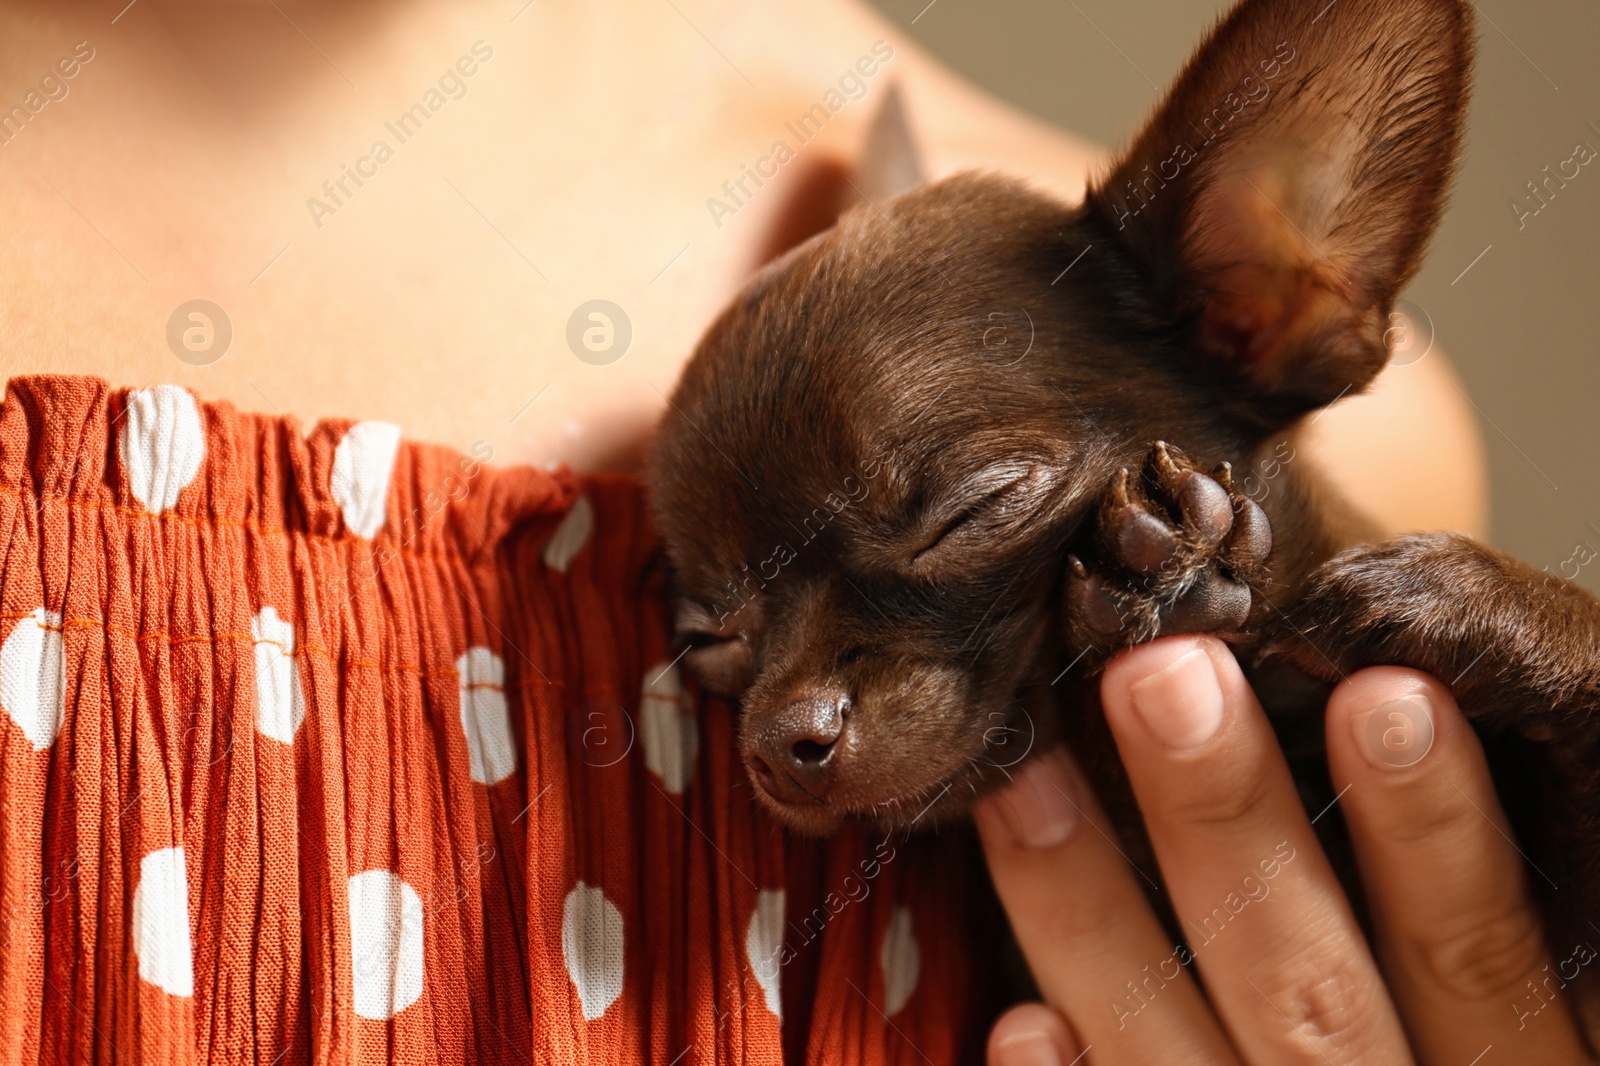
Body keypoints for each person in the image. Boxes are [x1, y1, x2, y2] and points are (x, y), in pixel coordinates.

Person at [4, 0, 1575, 1063]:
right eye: (718, 646)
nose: (785, 715)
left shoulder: (1343, 444)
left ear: (1268, 302)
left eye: (969, 510)